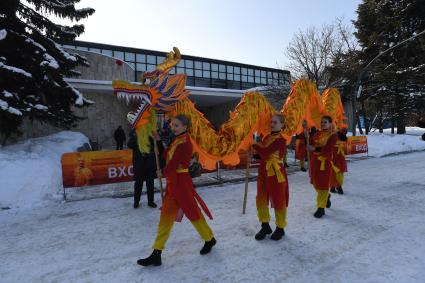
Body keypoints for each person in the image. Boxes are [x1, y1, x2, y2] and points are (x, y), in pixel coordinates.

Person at [137, 115, 216, 267]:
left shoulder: (186, 142)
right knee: (165, 218)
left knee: (194, 214)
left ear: (185, 127)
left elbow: (174, 162)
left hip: (182, 183)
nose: (173, 128)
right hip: (173, 184)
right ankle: (156, 252)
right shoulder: (176, 140)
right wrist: (158, 141)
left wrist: (162, 172)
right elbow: (166, 155)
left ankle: (209, 239)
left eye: (176, 125)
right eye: (172, 125)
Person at [252, 114, 289, 241]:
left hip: (276, 173)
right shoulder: (267, 137)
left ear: (282, 125)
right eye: (271, 122)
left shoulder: (281, 140)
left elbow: (266, 152)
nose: (272, 124)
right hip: (263, 171)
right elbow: (262, 154)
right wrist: (255, 155)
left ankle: (280, 228)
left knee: (278, 200)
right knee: (261, 199)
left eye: (275, 122)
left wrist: (253, 144)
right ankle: (265, 225)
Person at [306, 116, 337, 218]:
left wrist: (314, 148)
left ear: (330, 123)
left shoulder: (333, 136)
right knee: (315, 183)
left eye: (325, 122)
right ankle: (327, 196)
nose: (323, 124)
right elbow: (311, 142)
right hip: (315, 161)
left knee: (323, 185)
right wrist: (307, 134)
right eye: (322, 122)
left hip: (325, 162)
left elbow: (327, 149)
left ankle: (321, 208)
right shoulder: (317, 134)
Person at [127, 129, 163, 208]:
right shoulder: (136, 133)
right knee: (138, 184)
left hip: (150, 164)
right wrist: (139, 136)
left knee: (150, 184)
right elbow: (129, 144)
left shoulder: (151, 134)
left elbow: (159, 147)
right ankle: (136, 201)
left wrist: (156, 137)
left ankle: (151, 201)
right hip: (139, 165)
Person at [330, 128, 348, 195]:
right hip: (334, 156)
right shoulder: (334, 136)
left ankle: (336, 186)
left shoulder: (343, 137)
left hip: (340, 156)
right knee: (335, 172)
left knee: (339, 172)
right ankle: (336, 186)